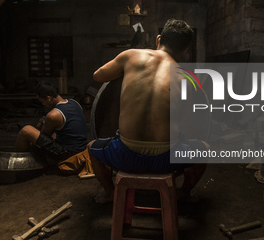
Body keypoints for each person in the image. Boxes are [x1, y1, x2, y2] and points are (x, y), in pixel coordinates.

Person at [88, 19, 208, 203]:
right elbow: (181, 118)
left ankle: (110, 193)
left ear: (159, 39)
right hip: (167, 159)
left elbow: (98, 76)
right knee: (204, 149)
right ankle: (183, 194)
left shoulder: (130, 56)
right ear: (185, 50)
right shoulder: (188, 78)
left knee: (92, 147)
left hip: (125, 155)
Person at [15, 81, 87, 163]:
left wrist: (45, 124)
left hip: (69, 154)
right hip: (81, 149)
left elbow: (42, 138)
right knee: (53, 135)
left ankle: (20, 163)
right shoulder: (74, 103)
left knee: (26, 130)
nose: (43, 104)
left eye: (42, 102)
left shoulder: (53, 115)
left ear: (49, 98)